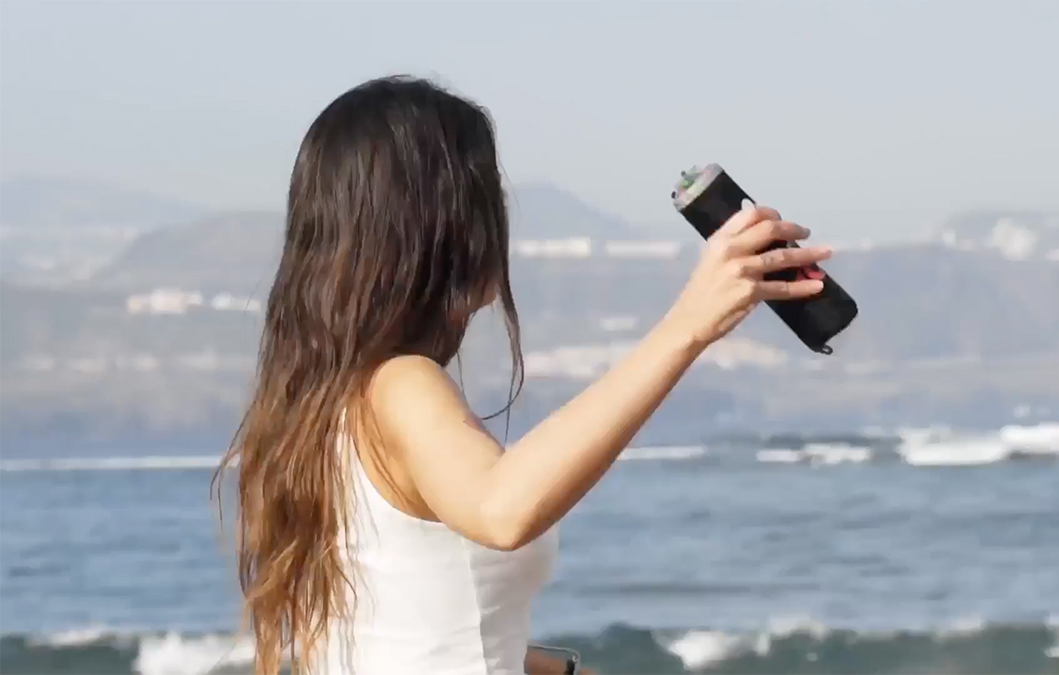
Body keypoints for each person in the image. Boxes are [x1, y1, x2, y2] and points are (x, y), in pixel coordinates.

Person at [216, 75, 831, 675]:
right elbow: (503, 509)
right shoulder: (399, 385)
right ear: (440, 225)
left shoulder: (321, 404)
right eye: (485, 195)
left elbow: (396, 625)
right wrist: (686, 327)